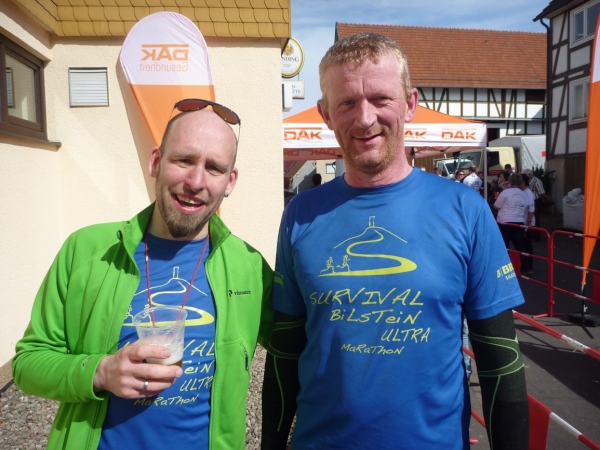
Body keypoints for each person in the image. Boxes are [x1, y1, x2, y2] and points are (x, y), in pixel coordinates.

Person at [262, 33, 529, 450]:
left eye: (380, 98)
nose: (365, 118)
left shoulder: (466, 211)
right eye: (347, 103)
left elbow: (500, 360)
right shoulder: (301, 214)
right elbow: (285, 352)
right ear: (325, 114)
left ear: (410, 103)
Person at [12, 101, 274, 449]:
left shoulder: (250, 268)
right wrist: (101, 372)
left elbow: (305, 345)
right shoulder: (86, 251)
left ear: (230, 181)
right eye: (184, 160)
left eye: (214, 168)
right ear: (155, 162)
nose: (196, 182)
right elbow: (28, 363)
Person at [494, 173, 532, 275]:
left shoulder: (506, 192)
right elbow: (526, 207)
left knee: (503, 246)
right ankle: (527, 267)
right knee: (521, 246)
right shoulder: (524, 194)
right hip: (519, 221)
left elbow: (497, 206)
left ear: (510, 181)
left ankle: (503, 268)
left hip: (505, 221)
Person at [520, 174, 536, 276]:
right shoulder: (522, 192)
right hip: (523, 221)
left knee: (527, 245)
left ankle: (529, 267)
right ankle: (525, 266)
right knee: (523, 244)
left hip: (527, 223)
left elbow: (531, 208)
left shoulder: (528, 193)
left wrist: (529, 222)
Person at [522, 168, 545, 232]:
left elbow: (541, 193)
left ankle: (536, 233)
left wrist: (542, 199)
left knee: (535, 217)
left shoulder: (537, 182)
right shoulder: (528, 181)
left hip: (536, 200)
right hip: (528, 200)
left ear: (529, 175)